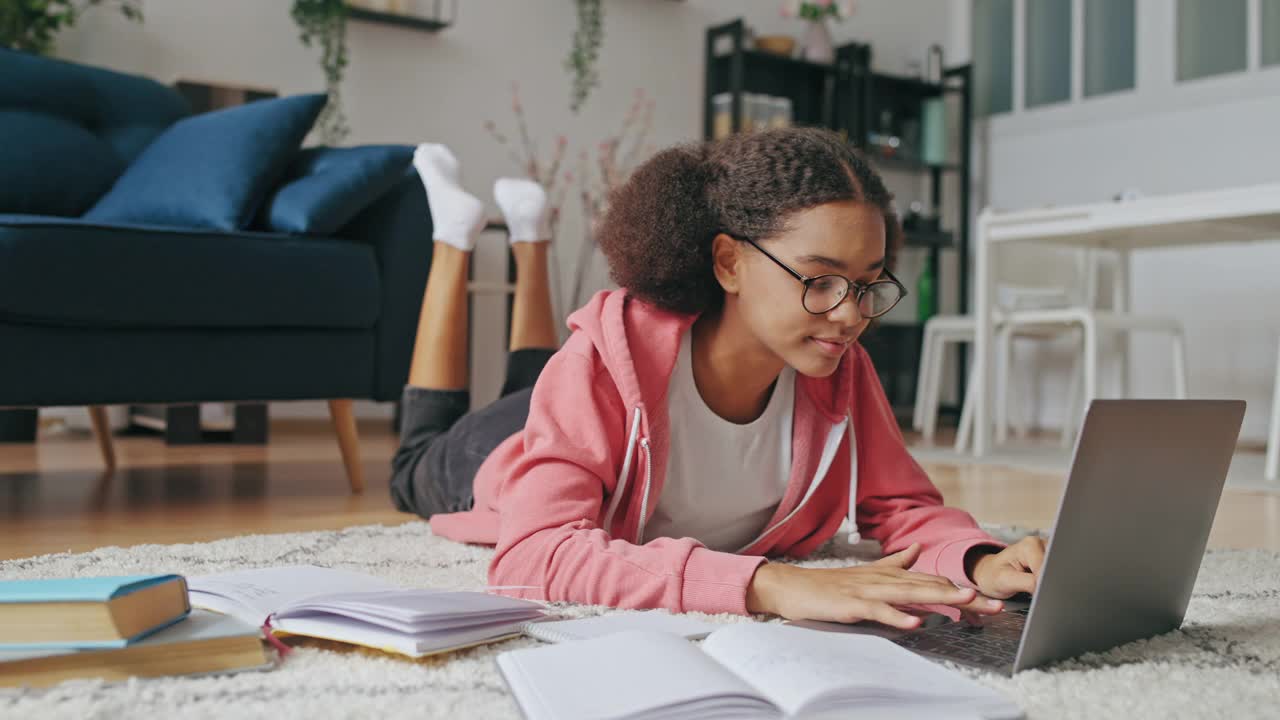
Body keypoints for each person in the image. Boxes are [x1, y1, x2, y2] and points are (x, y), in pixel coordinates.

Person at [392, 128, 1046, 628]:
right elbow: (532, 557)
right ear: (729, 262)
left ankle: (530, 234)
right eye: (820, 280)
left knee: (536, 378)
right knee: (417, 451)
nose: (849, 315)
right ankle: (454, 235)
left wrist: (977, 558)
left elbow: (902, 507)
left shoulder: (840, 371)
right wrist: (770, 584)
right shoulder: (599, 364)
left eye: (869, 285)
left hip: (586, 414)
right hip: (496, 456)